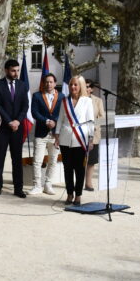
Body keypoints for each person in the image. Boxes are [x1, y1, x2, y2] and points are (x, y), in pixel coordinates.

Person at [0, 58, 30, 198]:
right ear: (6, 70)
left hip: (17, 128)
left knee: (17, 159)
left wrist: (17, 121)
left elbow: (25, 105)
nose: (16, 73)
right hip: (2, 127)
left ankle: (18, 188)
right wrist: (9, 121)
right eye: (13, 70)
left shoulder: (22, 85)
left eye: (17, 70)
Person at [56, 75, 94, 205]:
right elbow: (60, 119)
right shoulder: (64, 101)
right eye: (71, 84)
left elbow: (90, 122)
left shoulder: (87, 101)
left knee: (79, 169)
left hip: (80, 139)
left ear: (81, 86)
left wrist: (90, 139)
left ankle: (78, 194)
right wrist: (56, 135)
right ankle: (69, 193)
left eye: (75, 85)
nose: (73, 87)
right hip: (65, 139)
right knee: (67, 168)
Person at [29, 73, 63, 195]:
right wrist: (46, 121)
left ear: (55, 83)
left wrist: (55, 121)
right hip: (41, 133)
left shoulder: (62, 97)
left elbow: (63, 113)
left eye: (51, 82)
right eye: (46, 82)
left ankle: (48, 184)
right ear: (43, 83)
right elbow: (34, 112)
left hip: (56, 134)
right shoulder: (37, 96)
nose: (49, 84)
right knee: (37, 160)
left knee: (53, 160)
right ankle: (37, 185)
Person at [83, 79, 106, 192]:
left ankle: (88, 183)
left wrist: (93, 127)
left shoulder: (98, 101)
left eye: (88, 86)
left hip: (94, 135)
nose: (86, 88)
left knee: (91, 161)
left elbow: (101, 117)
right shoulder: (77, 100)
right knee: (79, 160)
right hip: (80, 134)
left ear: (91, 89)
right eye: (84, 86)